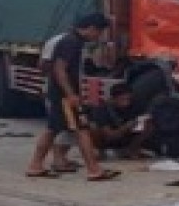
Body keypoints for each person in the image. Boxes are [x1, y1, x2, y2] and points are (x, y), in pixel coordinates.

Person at [27, 13, 120, 181]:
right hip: (64, 96)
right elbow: (59, 69)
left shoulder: (72, 41)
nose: (98, 36)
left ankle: (36, 165)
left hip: (60, 94)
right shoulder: (71, 42)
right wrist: (71, 94)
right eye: (99, 32)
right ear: (91, 28)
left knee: (53, 130)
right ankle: (94, 170)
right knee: (81, 129)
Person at [39, 32, 78, 173]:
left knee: (62, 126)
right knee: (60, 126)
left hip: (62, 91)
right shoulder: (64, 41)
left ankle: (59, 158)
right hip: (59, 92)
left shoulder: (62, 40)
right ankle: (57, 159)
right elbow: (44, 65)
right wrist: (67, 90)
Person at [92, 84, 151, 159]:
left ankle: (131, 150)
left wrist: (140, 124)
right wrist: (125, 127)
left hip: (129, 137)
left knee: (149, 125)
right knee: (93, 128)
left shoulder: (135, 105)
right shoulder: (103, 109)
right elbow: (108, 135)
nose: (126, 102)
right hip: (110, 138)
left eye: (128, 99)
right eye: (122, 99)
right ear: (113, 99)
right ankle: (101, 151)